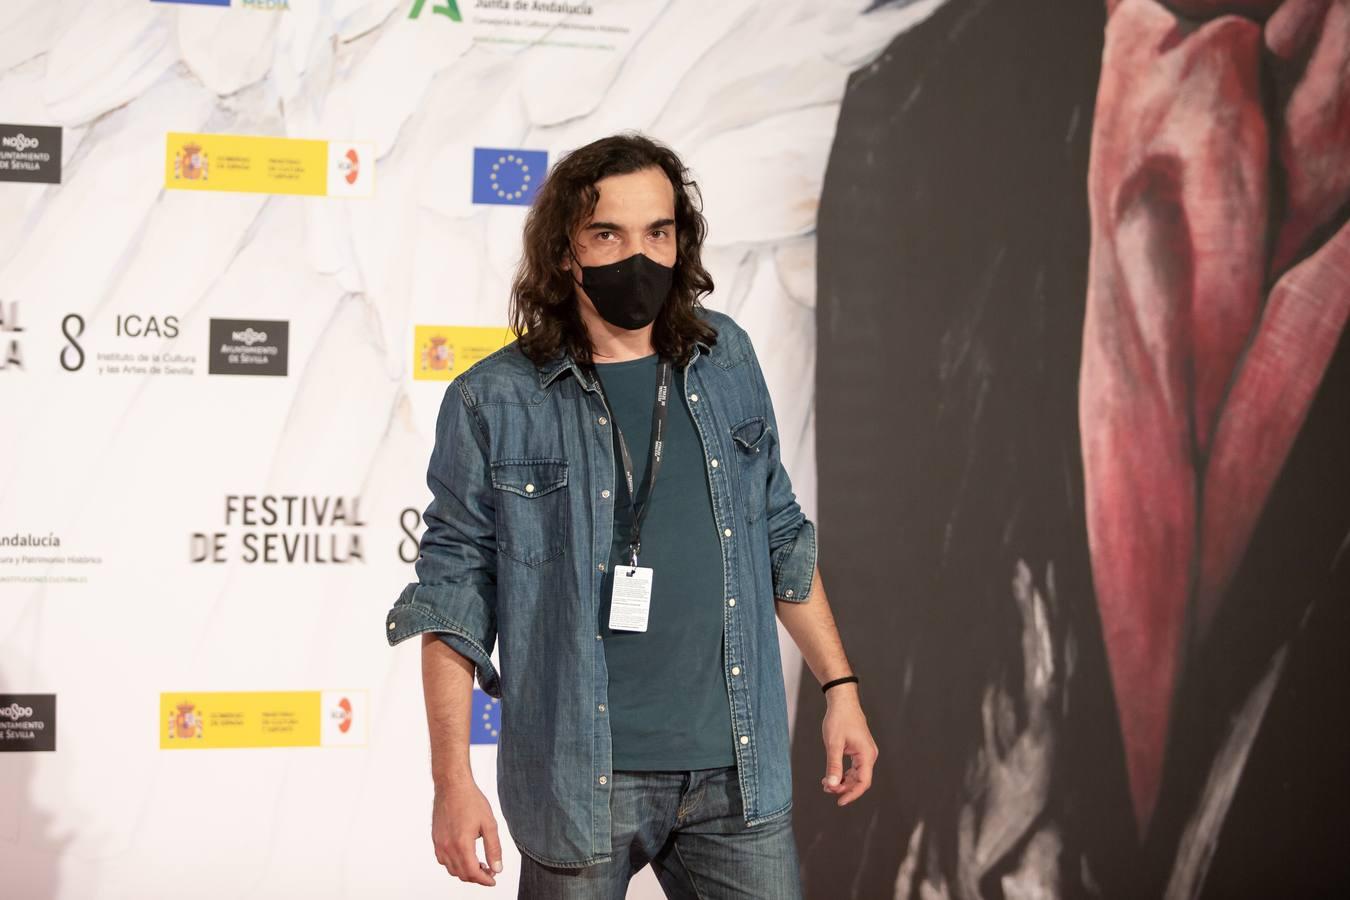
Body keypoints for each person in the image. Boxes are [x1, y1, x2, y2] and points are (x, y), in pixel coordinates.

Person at [385, 132, 878, 899]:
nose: (638, 256)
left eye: (658, 232)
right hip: (580, 780)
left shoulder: (728, 358)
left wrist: (839, 686)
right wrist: (453, 782)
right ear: (563, 252)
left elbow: (780, 533)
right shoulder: (495, 401)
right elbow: (453, 599)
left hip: (736, 774)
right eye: (607, 234)